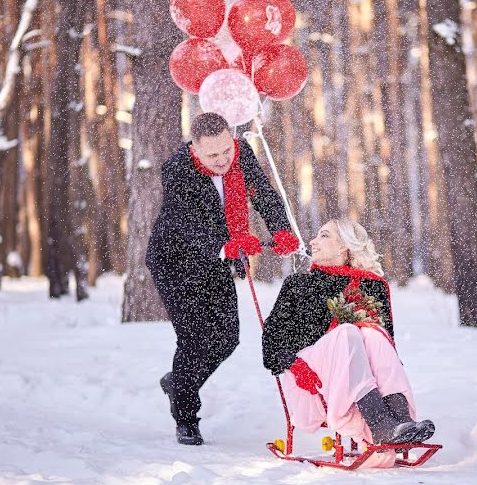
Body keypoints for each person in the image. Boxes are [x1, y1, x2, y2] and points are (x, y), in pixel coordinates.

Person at [146, 112, 300, 445]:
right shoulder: (177, 170)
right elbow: (185, 223)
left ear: (232, 138)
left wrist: (282, 230)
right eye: (212, 155)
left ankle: (179, 383)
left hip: (218, 259)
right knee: (194, 338)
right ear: (195, 149)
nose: (222, 160)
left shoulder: (241, 153)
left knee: (227, 338)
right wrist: (223, 246)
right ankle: (186, 417)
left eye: (225, 151)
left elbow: (262, 194)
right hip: (175, 260)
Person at [262, 219, 435, 449]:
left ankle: (400, 422)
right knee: (348, 333)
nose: (312, 241)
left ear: (344, 246)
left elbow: (387, 347)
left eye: (324, 235)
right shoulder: (299, 284)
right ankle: (380, 423)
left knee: (374, 334)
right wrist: (294, 365)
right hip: (311, 381)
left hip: (359, 381)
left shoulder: (371, 285)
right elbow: (271, 343)